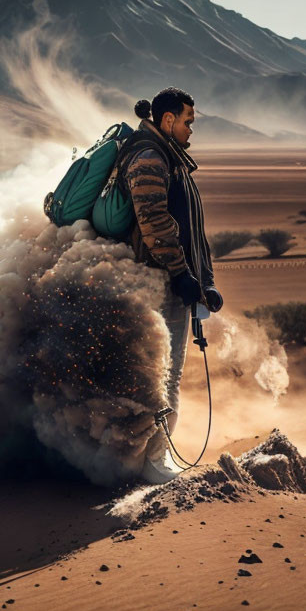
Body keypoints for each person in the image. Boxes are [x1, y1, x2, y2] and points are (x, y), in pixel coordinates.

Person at [117, 87, 223, 483]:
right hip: (159, 284)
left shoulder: (168, 156)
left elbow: (191, 227)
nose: (191, 130)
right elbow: (155, 225)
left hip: (175, 281)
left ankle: (151, 457)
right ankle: (153, 461)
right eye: (188, 121)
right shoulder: (149, 157)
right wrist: (181, 274)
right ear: (167, 120)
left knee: (165, 373)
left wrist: (203, 280)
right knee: (161, 374)